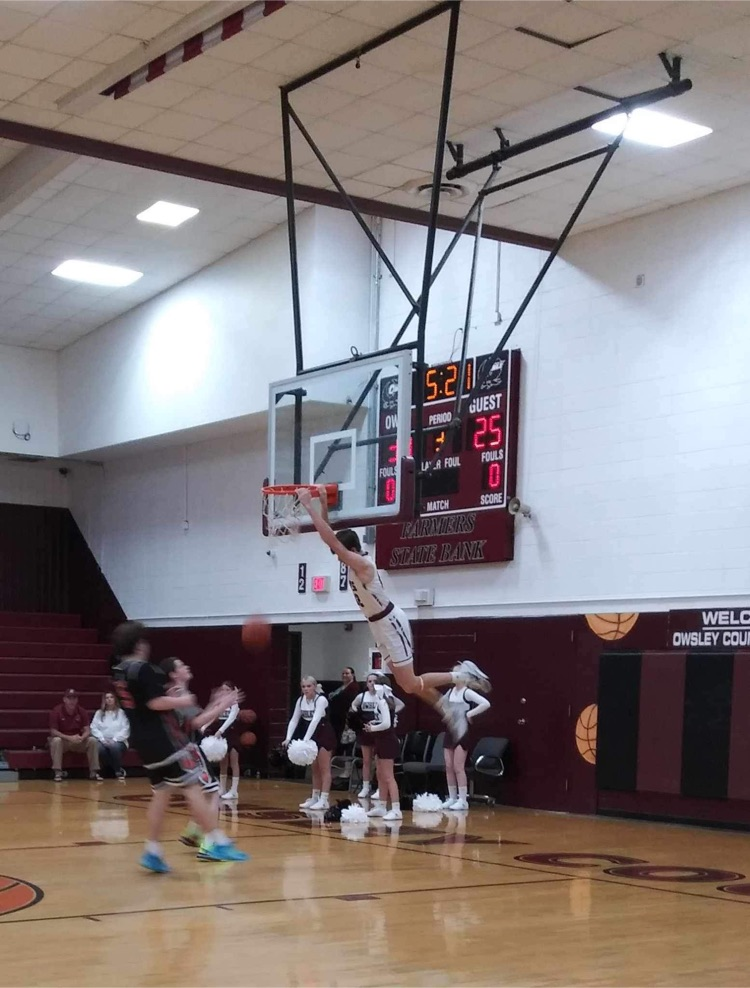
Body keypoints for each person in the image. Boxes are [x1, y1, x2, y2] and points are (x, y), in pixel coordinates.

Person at [297, 486, 491, 739]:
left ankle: (463, 675)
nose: (338, 559)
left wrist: (309, 508)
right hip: (378, 626)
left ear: (352, 550)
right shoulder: (354, 558)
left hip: (389, 621)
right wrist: (323, 503)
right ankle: (448, 707)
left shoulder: (364, 564)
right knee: (406, 684)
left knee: (409, 683)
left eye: (342, 554)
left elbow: (331, 541)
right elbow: (332, 542)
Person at [111, 620, 248, 873]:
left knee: (161, 792)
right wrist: (183, 699)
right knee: (193, 786)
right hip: (163, 740)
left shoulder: (118, 670)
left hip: (141, 741)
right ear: (140, 643)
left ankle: (152, 849)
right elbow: (153, 703)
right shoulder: (143, 669)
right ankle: (216, 841)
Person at [160, 658, 234, 851]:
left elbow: (198, 717)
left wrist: (215, 703)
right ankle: (210, 844)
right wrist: (222, 705)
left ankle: (194, 831)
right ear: (174, 674)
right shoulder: (178, 693)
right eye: (182, 666)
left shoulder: (177, 693)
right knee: (212, 792)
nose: (187, 666)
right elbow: (197, 722)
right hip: (185, 748)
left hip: (180, 748)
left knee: (204, 792)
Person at [283, 676, 336, 811]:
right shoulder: (300, 700)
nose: (306, 689)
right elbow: (294, 720)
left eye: (309, 686)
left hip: (324, 734)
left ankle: (324, 800)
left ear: (314, 686)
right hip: (311, 735)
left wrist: (305, 741)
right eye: (303, 686)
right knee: (314, 768)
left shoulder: (321, 700)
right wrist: (288, 738)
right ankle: (315, 797)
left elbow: (315, 720)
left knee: (324, 768)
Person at [442, 686, 491, 811]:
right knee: (449, 766)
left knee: (458, 766)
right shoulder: (450, 691)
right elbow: (442, 704)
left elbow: (485, 703)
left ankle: (463, 800)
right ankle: (452, 797)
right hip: (450, 730)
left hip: (462, 731)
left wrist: (468, 714)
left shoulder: (467, 692)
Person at [362, 683, 402, 821]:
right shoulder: (380, 702)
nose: (371, 687)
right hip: (380, 740)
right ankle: (382, 806)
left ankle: (396, 810)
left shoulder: (384, 702)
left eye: (374, 685)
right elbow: (382, 720)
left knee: (388, 776)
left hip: (387, 741)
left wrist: (372, 729)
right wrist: (373, 723)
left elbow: (386, 724)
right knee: (379, 774)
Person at [49, 689, 101, 783]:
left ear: (77, 700)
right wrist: (69, 738)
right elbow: (53, 731)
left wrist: (82, 737)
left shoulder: (81, 711)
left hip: (77, 740)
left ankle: (94, 772)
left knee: (92, 740)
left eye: (74, 698)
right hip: (63, 740)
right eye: (69, 698)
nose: (72, 701)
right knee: (56, 741)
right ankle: (57, 772)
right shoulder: (56, 711)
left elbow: (87, 729)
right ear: (64, 699)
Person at [202, 681, 242, 801]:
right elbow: (213, 716)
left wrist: (220, 731)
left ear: (232, 692)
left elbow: (230, 719)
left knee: (234, 762)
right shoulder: (220, 704)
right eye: (223, 690)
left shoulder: (235, 705)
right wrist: (204, 726)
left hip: (232, 735)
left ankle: (234, 790)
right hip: (222, 736)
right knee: (223, 762)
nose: (224, 693)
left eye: (227, 691)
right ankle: (222, 788)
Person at [90, 691, 130, 780]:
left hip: (119, 740)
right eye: (107, 698)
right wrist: (102, 739)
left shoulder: (121, 713)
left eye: (111, 697)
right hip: (102, 740)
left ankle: (117, 770)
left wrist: (114, 739)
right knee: (99, 748)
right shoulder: (99, 713)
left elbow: (125, 729)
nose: (109, 699)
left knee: (114, 747)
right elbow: (93, 728)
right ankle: (109, 770)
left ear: (115, 699)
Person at [328, 666, 359, 751]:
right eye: (343, 673)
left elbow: (347, 701)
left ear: (353, 675)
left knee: (345, 741)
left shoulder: (354, 687)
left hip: (345, 718)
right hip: (336, 718)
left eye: (347, 673)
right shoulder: (342, 687)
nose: (344, 675)